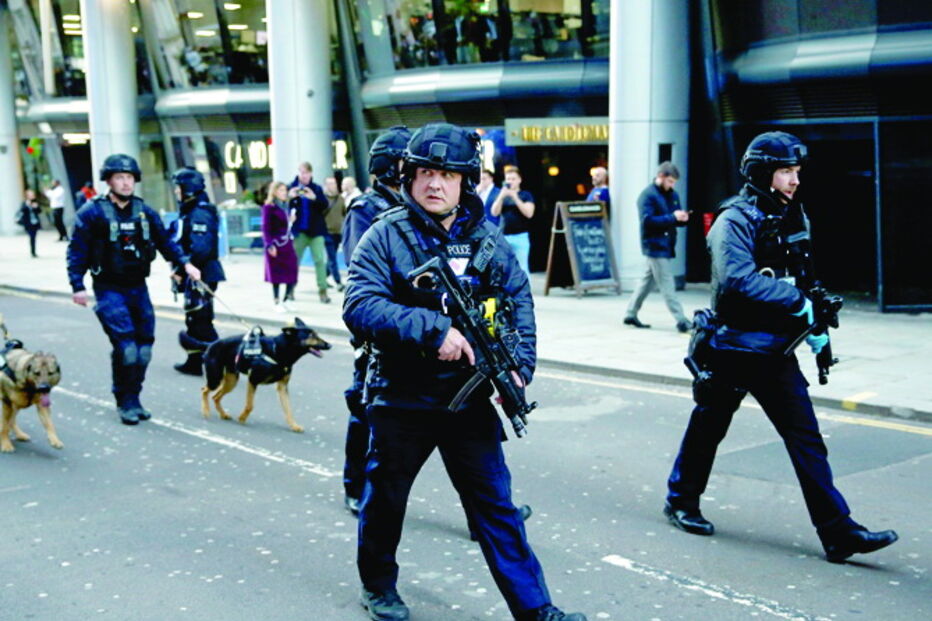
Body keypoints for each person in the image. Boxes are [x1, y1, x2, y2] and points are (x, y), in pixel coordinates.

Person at [344, 122, 586, 621]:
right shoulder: (384, 235)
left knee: (496, 507)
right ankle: (378, 586)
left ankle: (536, 609)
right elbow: (360, 304)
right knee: (386, 499)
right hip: (401, 395)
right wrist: (434, 330)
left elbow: (518, 300)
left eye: (448, 175)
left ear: (465, 182)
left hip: (469, 397)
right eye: (426, 174)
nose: (435, 184)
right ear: (409, 177)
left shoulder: (485, 237)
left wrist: (519, 366)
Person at [663, 131, 898, 564]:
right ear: (761, 173)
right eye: (786, 171)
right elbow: (737, 279)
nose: (795, 180)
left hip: (776, 352)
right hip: (734, 347)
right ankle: (680, 501)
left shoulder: (792, 214)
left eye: (797, 171)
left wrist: (816, 318)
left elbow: (803, 275)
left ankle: (838, 532)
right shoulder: (734, 219)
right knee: (708, 429)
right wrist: (797, 301)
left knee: (807, 439)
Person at [67, 154, 201, 425]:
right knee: (126, 348)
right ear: (108, 181)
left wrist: (185, 264)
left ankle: (135, 397)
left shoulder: (144, 212)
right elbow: (77, 251)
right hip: (108, 288)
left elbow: (166, 242)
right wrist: (77, 285)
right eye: (120, 177)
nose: (126, 183)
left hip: (138, 287)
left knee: (144, 349)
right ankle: (124, 401)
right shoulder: (92, 212)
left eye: (129, 177)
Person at [340, 124, 411, 516]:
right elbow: (361, 274)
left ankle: (486, 512)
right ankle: (355, 486)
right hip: (379, 331)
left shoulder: (415, 208)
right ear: (389, 167)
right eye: (407, 161)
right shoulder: (365, 210)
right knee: (366, 411)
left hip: (416, 328)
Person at [168, 167, 226, 376]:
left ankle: (223, 363)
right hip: (196, 273)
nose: (176, 191)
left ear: (189, 189)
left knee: (201, 321)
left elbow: (201, 249)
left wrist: (181, 269)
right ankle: (194, 362)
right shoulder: (191, 210)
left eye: (179, 187)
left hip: (203, 274)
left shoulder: (200, 213)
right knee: (193, 319)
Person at [623, 162, 692, 333]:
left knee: (647, 281)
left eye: (674, 182)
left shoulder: (672, 194)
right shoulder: (647, 195)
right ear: (660, 176)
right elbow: (647, 221)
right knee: (667, 282)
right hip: (654, 244)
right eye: (670, 181)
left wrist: (682, 218)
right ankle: (681, 319)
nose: (672, 185)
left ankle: (630, 313)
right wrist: (673, 217)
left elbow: (674, 217)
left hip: (666, 244)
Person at [289, 162, 330, 303]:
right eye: (301, 172)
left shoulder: (316, 188)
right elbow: (283, 206)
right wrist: (289, 197)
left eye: (306, 172)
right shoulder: (291, 187)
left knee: (319, 260)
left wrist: (314, 198)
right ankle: (290, 289)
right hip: (299, 231)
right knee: (294, 261)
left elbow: (325, 205)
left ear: (311, 173)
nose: (304, 175)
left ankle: (323, 290)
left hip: (316, 231)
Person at [490, 165, 535, 274]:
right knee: (504, 268)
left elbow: (529, 213)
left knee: (522, 267)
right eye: (508, 179)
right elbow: (494, 212)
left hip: (520, 236)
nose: (510, 181)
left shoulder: (525, 195)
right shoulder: (502, 196)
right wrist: (501, 196)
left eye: (513, 179)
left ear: (519, 180)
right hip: (504, 236)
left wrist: (515, 197)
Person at [262, 181, 299, 312]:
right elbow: (266, 228)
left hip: (287, 243)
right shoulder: (269, 207)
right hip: (275, 244)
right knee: (276, 274)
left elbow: (286, 224)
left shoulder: (285, 206)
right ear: (275, 192)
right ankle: (277, 301)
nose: (284, 193)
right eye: (281, 190)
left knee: (292, 271)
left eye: (285, 190)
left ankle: (286, 299)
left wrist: (291, 220)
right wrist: (269, 245)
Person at [322, 176, 346, 293]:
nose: (332, 186)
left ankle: (323, 277)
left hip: (338, 232)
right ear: (325, 186)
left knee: (332, 257)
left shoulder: (340, 199)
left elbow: (344, 213)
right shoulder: (322, 199)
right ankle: (338, 282)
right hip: (326, 232)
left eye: (334, 184)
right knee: (332, 258)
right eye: (329, 184)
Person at [17, 189, 42, 258]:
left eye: (33, 194)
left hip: (35, 223)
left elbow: (39, 211)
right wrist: (27, 205)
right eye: (31, 195)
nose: (32, 196)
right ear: (27, 196)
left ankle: (33, 252)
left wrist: (36, 207)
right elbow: (22, 210)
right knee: (31, 237)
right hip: (28, 223)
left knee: (33, 237)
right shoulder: (24, 203)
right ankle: (33, 251)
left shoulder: (35, 202)